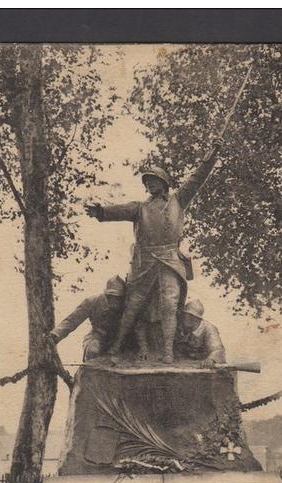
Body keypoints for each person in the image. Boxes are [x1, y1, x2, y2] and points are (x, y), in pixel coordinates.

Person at [85, 137, 225, 364]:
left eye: (154, 180)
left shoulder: (178, 201)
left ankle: (168, 352)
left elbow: (197, 179)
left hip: (170, 260)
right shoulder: (139, 208)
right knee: (132, 307)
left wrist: (212, 155)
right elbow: (118, 211)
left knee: (170, 304)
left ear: (164, 183)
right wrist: (101, 212)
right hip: (144, 263)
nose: (149, 184)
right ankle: (117, 346)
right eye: (147, 181)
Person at [50, 275, 126, 361]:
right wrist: (56, 335)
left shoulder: (128, 305)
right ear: (106, 295)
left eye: (118, 298)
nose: (115, 301)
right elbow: (72, 320)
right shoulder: (92, 302)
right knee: (93, 349)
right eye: (111, 297)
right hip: (98, 336)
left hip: (120, 339)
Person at [175, 299, 226, 368]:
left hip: (203, 366)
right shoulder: (180, 327)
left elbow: (218, 349)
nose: (183, 317)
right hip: (184, 364)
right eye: (184, 315)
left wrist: (211, 359)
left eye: (186, 315)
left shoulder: (209, 329)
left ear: (195, 318)